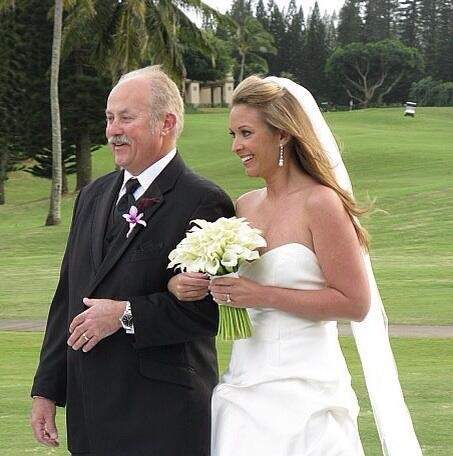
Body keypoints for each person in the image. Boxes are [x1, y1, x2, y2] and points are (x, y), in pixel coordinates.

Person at [168, 75, 422, 455]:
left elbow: (355, 303)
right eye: (232, 135)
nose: (237, 146)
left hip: (306, 389)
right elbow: (234, 290)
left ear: (282, 134)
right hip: (244, 385)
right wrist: (193, 285)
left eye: (246, 133)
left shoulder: (321, 204)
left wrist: (262, 294)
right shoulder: (245, 205)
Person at [30, 65, 235, 456]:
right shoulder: (92, 196)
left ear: (167, 123)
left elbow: (209, 312)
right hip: (90, 414)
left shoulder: (203, 200)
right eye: (109, 118)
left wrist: (125, 315)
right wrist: (46, 390)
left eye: (126, 117)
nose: (112, 130)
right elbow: (67, 296)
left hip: (163, 417)